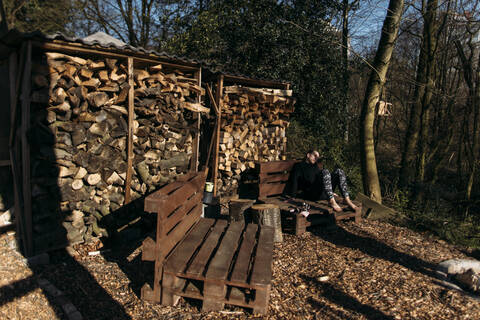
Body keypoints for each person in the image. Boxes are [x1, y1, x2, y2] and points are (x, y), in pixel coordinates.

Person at [284, 150, 358, 212]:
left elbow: (322, 180)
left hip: (322, 192)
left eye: (317, 157)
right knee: (325, 171)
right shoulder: (299, 166)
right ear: (308, 155)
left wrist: (331, 191)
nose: (316, 158)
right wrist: (292, 197)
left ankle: (347, 200)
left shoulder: (315, 166)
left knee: (339, 171)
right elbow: (294, 181)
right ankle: (331, 201)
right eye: (314, 155)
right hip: (312, 193)